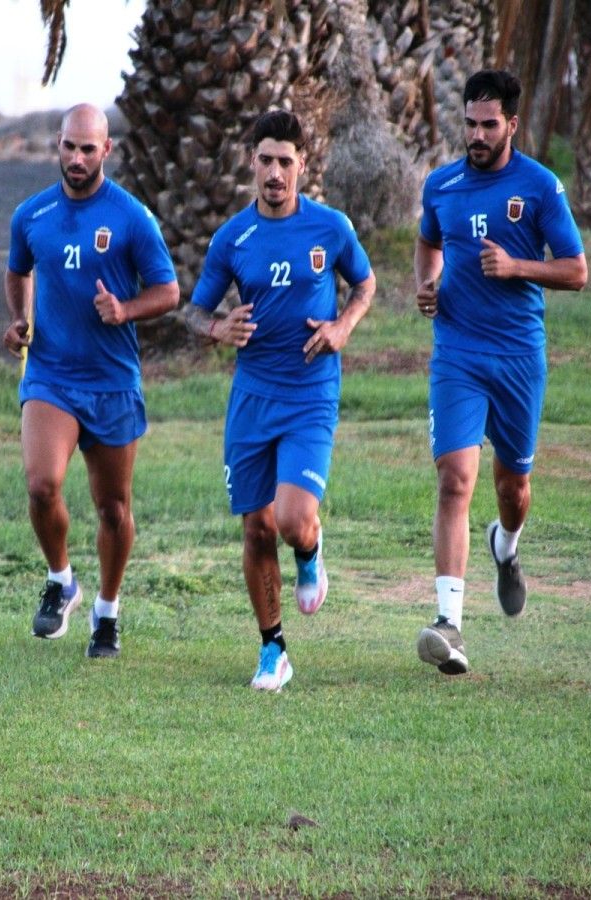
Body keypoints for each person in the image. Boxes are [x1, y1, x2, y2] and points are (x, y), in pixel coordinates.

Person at [187, 109, 376, 692]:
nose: (275, 172)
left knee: (292, 520)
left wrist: (344, 325)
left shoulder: (330, 227)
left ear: (303, 165)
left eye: (286, 162)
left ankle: (311, 550)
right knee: (255, 529)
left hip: (310, 392)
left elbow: (365, 284)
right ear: (253, 162)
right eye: (266, 160)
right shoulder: (232, 238)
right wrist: (217, 329)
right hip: (252, 397)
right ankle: (274, 651)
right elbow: (193, 310)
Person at [413, 70, 587, 675]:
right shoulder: (442, 184)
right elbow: (427, 242)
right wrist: (425, 285)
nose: (478, 135)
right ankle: (449, 624)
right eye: (470, 123)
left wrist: (517, 267)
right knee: (456, 477)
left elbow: (577, 270)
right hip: (457, 352)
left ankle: (505, 548)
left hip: (517, 356)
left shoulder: (539, 187)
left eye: (490, 124)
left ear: (513, 124)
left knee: (512, 490)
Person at [3, 103, 179, 659]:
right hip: (52, 375)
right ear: (57, 146)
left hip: (112, 382)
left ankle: (107, 612)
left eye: (88, 148)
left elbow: (168, 291)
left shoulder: (130, 217)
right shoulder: (31, 215)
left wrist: (124, 310)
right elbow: (17, 270)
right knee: (41, 485)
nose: (76, 159)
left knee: (113, 510)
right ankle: (61, 581)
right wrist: (20, 319)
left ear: (107, 150)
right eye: (68, 147)